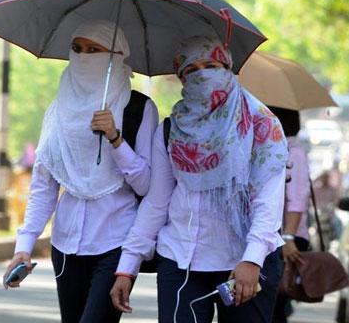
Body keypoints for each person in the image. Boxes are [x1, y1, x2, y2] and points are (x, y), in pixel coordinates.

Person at [110, 36, 288, 323]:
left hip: (244, 262)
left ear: (228, 68)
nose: (203, 74)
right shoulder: (171, 130)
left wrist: (252, 258)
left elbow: (268, 201)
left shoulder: (260, 125)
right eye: (192, 70)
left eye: (212, 65)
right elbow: (157, 202)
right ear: (181, 79)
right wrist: (127, 267)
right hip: (180, 258)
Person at [3, 20, 159, 323]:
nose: (84, 56)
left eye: (94, 50)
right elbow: (43, 184)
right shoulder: (59, 109)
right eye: (77, 48)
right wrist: (24, 246)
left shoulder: (140, 109)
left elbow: (146, 185)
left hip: (117, 243)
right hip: (66, 244)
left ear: (115, 56)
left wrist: (116, 139)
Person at [270, 108, 310, 323]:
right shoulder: (271, 147)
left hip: (287, 239)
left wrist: (288, 238)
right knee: (270, 305)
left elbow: (297, 198)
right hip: (275, 237)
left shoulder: (293, 153)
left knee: (274, 306)